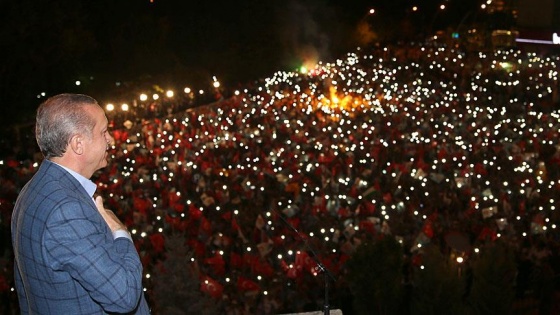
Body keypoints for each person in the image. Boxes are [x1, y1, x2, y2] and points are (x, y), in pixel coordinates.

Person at [11, 93, 150, 314]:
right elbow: (124, 296)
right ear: (78, 143)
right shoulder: (65, 210)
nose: (111, 140)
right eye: (104, 132)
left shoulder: (33, 189)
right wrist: (121, 234)